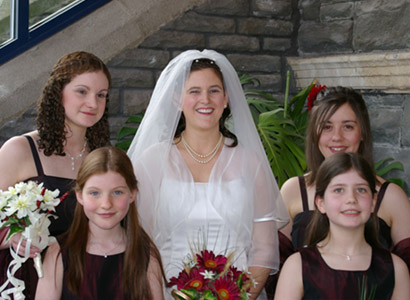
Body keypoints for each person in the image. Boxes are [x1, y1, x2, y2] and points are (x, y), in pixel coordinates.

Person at [127, 49, 289, 299]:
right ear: (176, 100)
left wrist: (240, 297)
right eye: (194, 91)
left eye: (214, 91)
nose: (206, 99)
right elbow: (141, 245)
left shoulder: (250, 161)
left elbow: (264, 250)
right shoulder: (152, 161)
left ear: (226, 99)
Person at [0, 51, 111, 299]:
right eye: (82, 91)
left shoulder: (105, 158)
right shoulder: (20, 150)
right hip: (26, 281)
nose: (93, 103)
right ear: (57, 93)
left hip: (85, 285)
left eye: (101, 95)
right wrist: (12, 236)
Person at [274, 152, 410, 300]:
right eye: (339, 190)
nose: (351, 199)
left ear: (373, 202)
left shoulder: (396, 269)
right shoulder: (297, 266)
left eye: (361, 189)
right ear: (321, 203)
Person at [35, 146, 166, 299]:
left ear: (132, 194)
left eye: (117, 192)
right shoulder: (57, 253)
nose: (106, 204)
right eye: (94, 193)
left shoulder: (145, 254)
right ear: (80, 196)